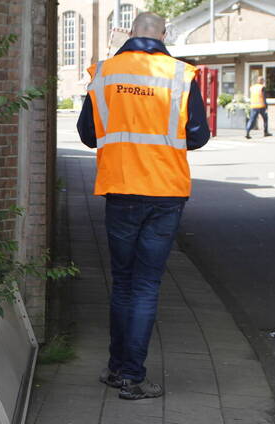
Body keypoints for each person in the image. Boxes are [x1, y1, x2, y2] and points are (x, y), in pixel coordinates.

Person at [76, 11, 210, 400]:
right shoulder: (181, 75)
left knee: (122, 282)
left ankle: (117, 369)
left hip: (120, 188)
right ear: (163, 35)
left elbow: (87, 135)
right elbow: (198, 137)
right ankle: (132, 377)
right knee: (146, 285)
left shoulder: (104, 72)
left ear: (132, 33)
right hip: (165, 193)